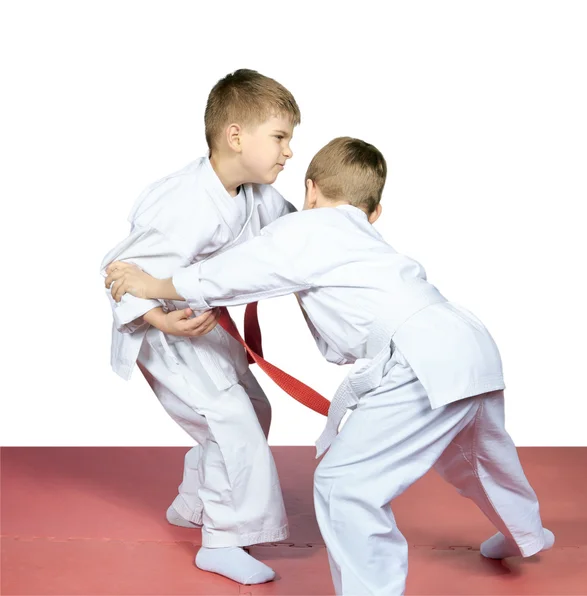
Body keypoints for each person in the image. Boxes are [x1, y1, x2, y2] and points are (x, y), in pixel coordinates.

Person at [105, 136, 554, 595]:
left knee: (344, 484)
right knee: (479, 454)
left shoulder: (310, 227)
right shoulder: (364, 236)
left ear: (311, 190)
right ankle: (526, 534)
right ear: (373, 211)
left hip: (421, 357)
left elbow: (233, 273)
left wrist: (153, 282)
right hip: (471, 342)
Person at [100, 69, 300, 585]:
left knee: (255, 409)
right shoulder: (181, 199)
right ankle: (222, 540)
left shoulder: (256, 194)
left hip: (201, 326)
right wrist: (155, 315)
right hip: (165, 335)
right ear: (236, 136)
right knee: (229, 420)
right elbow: (120, 274)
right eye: (280, 137)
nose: (288, 152)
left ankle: (193, 505)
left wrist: (341, 219)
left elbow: (294, 232)